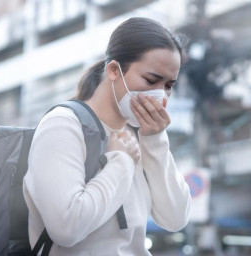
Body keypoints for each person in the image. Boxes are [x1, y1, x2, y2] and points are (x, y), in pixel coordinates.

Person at [23, 17, 191, 255]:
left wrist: (155, 140)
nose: (159, 95)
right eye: (151, 80)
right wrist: (120, 162)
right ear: (114, 70)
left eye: (168, 86)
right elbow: (67, 228)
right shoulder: (63, 125)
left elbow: (175, 218)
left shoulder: (140, 137)